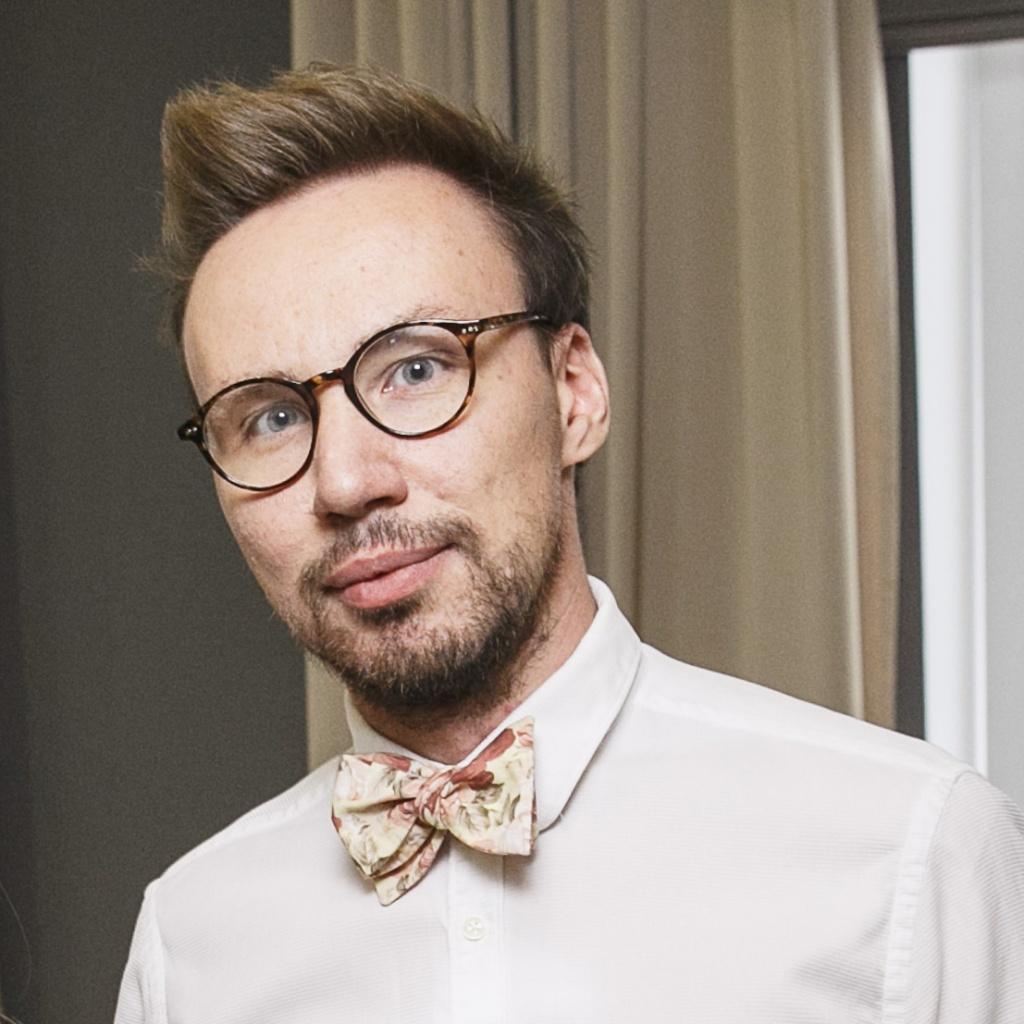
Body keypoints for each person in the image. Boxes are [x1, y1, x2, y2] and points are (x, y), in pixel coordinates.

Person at [115, 65, 1023, 1023]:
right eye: (267, 418)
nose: (344, 482)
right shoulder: (191, 948)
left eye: (416, 369)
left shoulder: (911, 856)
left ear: (574, 394)